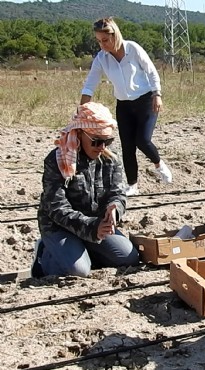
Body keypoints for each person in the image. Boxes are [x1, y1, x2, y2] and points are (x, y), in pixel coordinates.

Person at [33, 102, 140, 278]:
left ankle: (80, 251)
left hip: (96, 226)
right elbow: (56, 208)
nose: (102, 147)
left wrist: (115, 208)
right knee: (78, 271)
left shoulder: (111, 160)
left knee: (129, 258)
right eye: (97, 141)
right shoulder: (57, 160)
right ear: (80, 134)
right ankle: (44, 255)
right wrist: (91, 226)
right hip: (60, 227)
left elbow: (117, 193)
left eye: (108, 141)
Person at [80, 17, 171, 197]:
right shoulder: (101, 58)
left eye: (105, 40)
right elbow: (90, 84)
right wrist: (82, 110)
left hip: (146, 100)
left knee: (142, 140)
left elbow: (151, 71)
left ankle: (159, 164)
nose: (102, 45)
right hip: (124, 105)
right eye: (99, 41)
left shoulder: (133, 49)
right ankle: (132, 185)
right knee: (127, 146)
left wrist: (157, 94)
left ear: (115, 35)